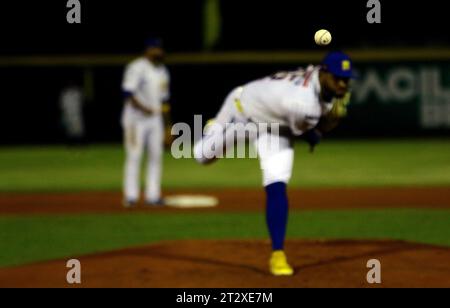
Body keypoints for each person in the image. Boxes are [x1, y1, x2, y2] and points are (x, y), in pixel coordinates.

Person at [193, 51, 354, 276]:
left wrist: (327, 111)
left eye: (346, 79)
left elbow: (318, 98)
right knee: (202, 157)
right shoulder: (303, 103)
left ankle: (277, 254)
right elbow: (311, 135)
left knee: (277, 185)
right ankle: (213, 128)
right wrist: (326, 126)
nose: (342, 83)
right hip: (243, 110)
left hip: (276, 126)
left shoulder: (319, 75)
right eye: (338, 77)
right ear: (325, 72)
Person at [121, 38, 171, 207]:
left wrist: (167, 126)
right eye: (155, 48)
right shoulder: (137, 67)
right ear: (148, 50)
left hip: (155, 120)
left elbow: (164, 102)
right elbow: (128, 93)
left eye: (159, 49)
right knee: (134, 156)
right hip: (135, 120)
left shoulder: (162, 71)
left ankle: (153, 195)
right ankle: (131, 196)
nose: (158, 52)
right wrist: (144, 108)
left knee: (156, 157)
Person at [59, 79, 86, 145]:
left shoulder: (77, 92)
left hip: (77, 114)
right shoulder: (65, 94)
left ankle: (80, 144)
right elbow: (62, 105)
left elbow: (83, 100)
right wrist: (64, 113)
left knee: (78, 130)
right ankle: (70, 144)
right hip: (68, 114)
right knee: (69, 130)